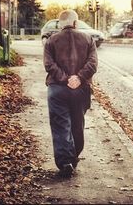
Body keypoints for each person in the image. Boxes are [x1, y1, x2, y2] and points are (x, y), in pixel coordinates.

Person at [43, 9, 98, 178]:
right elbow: (93, 63)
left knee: (60, 126)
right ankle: (74, 156)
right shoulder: (88, 39)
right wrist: (79, 78)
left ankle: (65, 161)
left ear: (60, 24)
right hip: (80, 90)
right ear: (75, 23)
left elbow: (48, 64)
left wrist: (64, 78)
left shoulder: (51, 40)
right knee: (77, 124)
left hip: (57, 89)